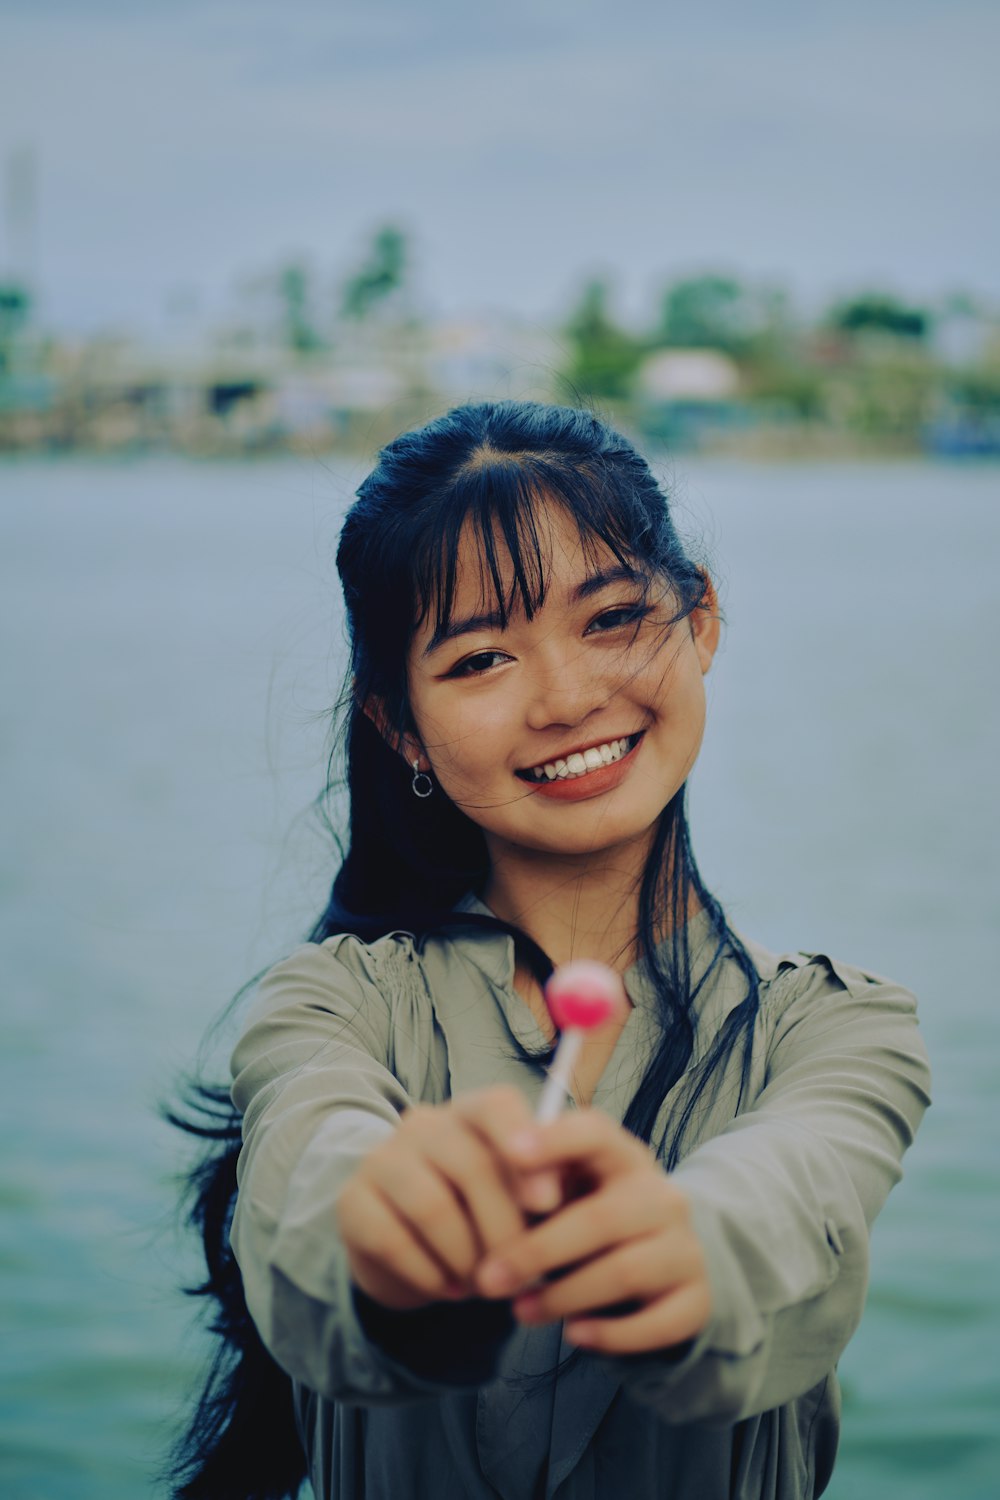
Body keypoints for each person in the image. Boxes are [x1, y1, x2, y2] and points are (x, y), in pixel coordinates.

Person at [168, 400, 930, 1500]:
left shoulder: (842, 1031)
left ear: (702, 620)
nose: (568, 698)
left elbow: (787, 1203)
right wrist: (394, 1241)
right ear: (398, 723)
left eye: (612, 617)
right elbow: (315, 1172)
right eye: (481, 658)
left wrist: (677, 1249)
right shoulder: (327, 1009)